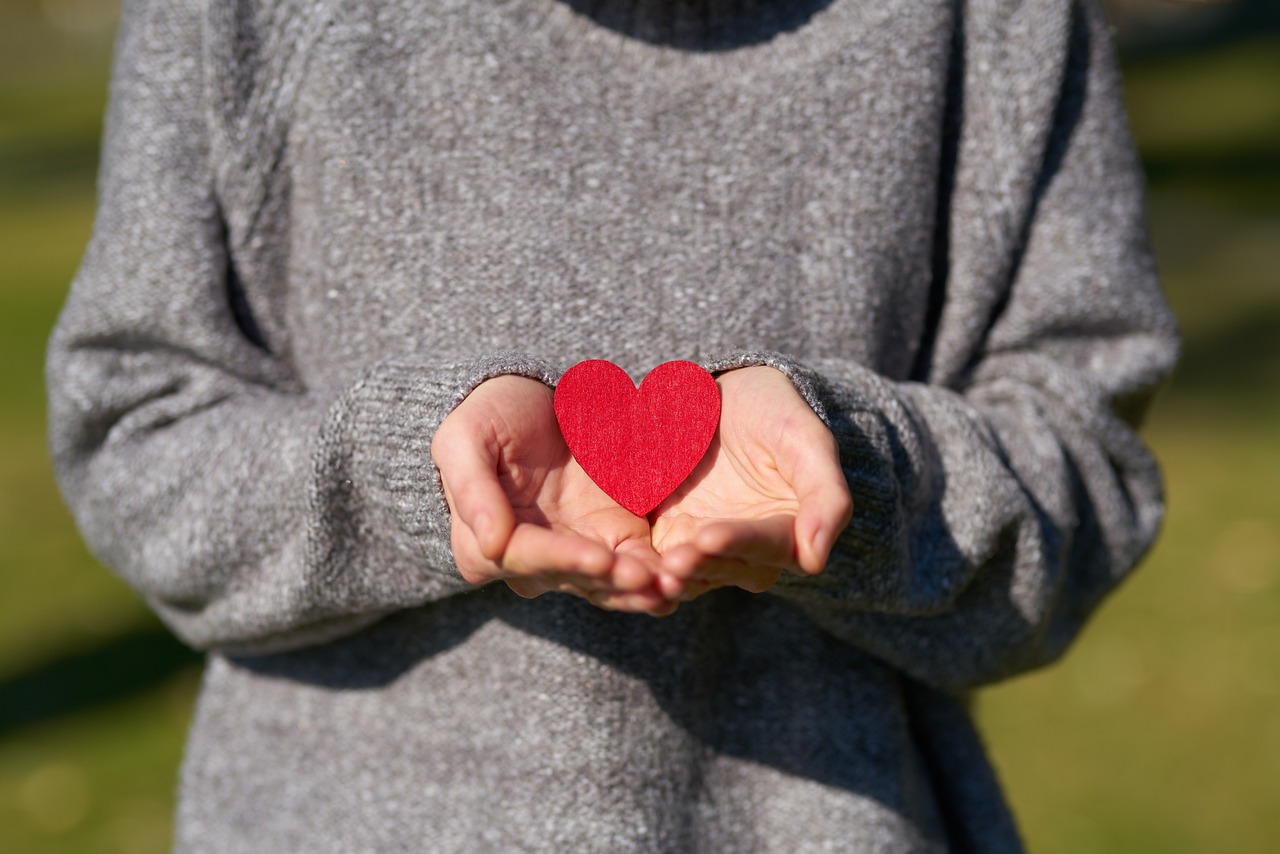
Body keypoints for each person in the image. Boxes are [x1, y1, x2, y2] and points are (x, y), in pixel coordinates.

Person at [46, 0, 1179, 849]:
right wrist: (412, 478)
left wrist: (855, 476)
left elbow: (1086, 477)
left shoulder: (993, 22)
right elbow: (136, 434)